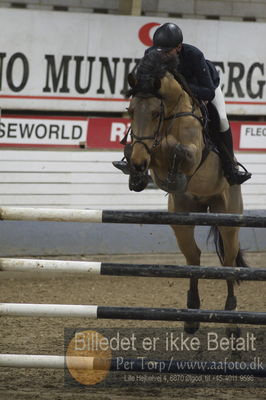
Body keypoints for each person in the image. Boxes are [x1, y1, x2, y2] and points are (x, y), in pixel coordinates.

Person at [114, 22, 251, 185]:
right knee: (146, 109)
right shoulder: (151, 53)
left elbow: (208, 91)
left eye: (167, 51)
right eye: (159, 51)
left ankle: (231, 167)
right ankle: (134, 161)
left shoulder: (194, 55)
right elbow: (145, 84)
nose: (162, 55)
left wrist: (181, 87)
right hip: (169, 95)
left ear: (178, 47)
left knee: (221, 119)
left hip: (203, 87)